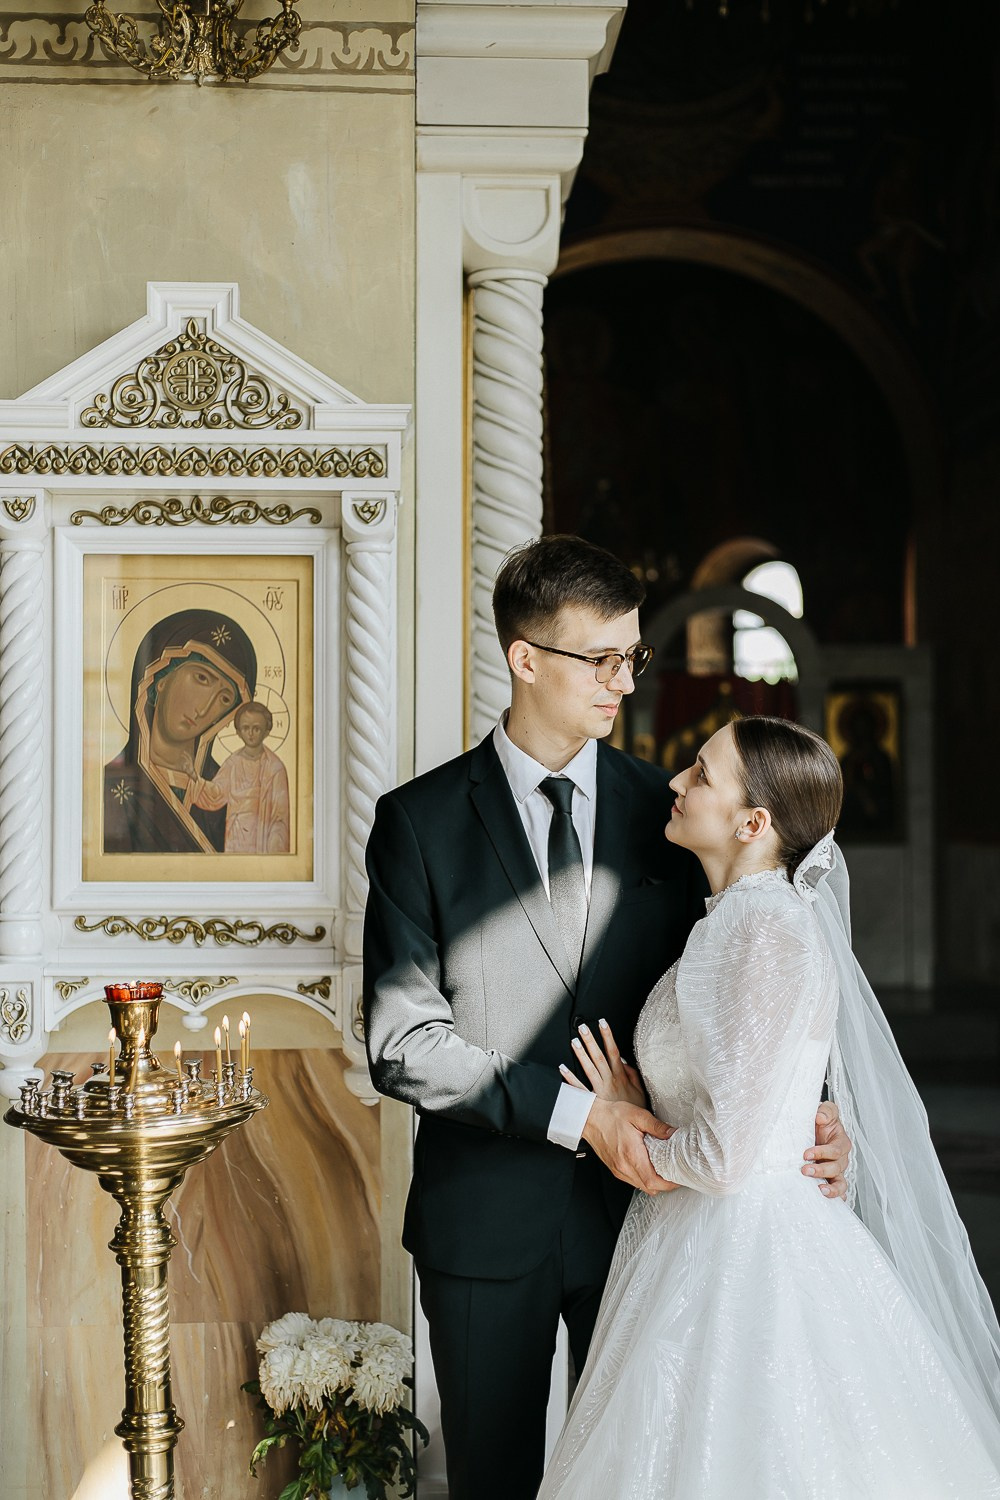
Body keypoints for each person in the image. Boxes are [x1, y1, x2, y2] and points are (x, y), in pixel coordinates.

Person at [362, 537, 851, 1500]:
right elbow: (400, 1044)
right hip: (484, 1228)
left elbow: (757, 977)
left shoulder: (673, 812)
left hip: (655, 1225)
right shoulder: (417, 822)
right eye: (601, 659)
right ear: (525, 657)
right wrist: (579, 1113)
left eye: (633, 658)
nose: (623, 682)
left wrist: (814, 1115)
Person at [539, 716, 1000, 1500]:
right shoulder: (743, 921)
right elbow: (752, 1082)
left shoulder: (757, 928)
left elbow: (724, 1154)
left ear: (753, 823)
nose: (678, 782)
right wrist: (644, 1098)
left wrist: (627, 1130)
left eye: (702, 773)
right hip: (716, 1230)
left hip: (737, 1244)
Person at [103, 608, 256, 854]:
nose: (204, 708)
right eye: (201, 678)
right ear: (161, 677)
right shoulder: (107, 789)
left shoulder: (230, 799)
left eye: (224, 699)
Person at [189, 700, 290, 853]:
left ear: (266, 731)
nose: (250, 733)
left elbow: (279, 818)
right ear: (238, 731)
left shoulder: (275, 768)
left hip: (261, 838)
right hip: (235, 836)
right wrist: (194, 778)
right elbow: (216, 794)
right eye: (245, 728)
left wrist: (274, 855)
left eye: (256, 728)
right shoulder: (232, 763)